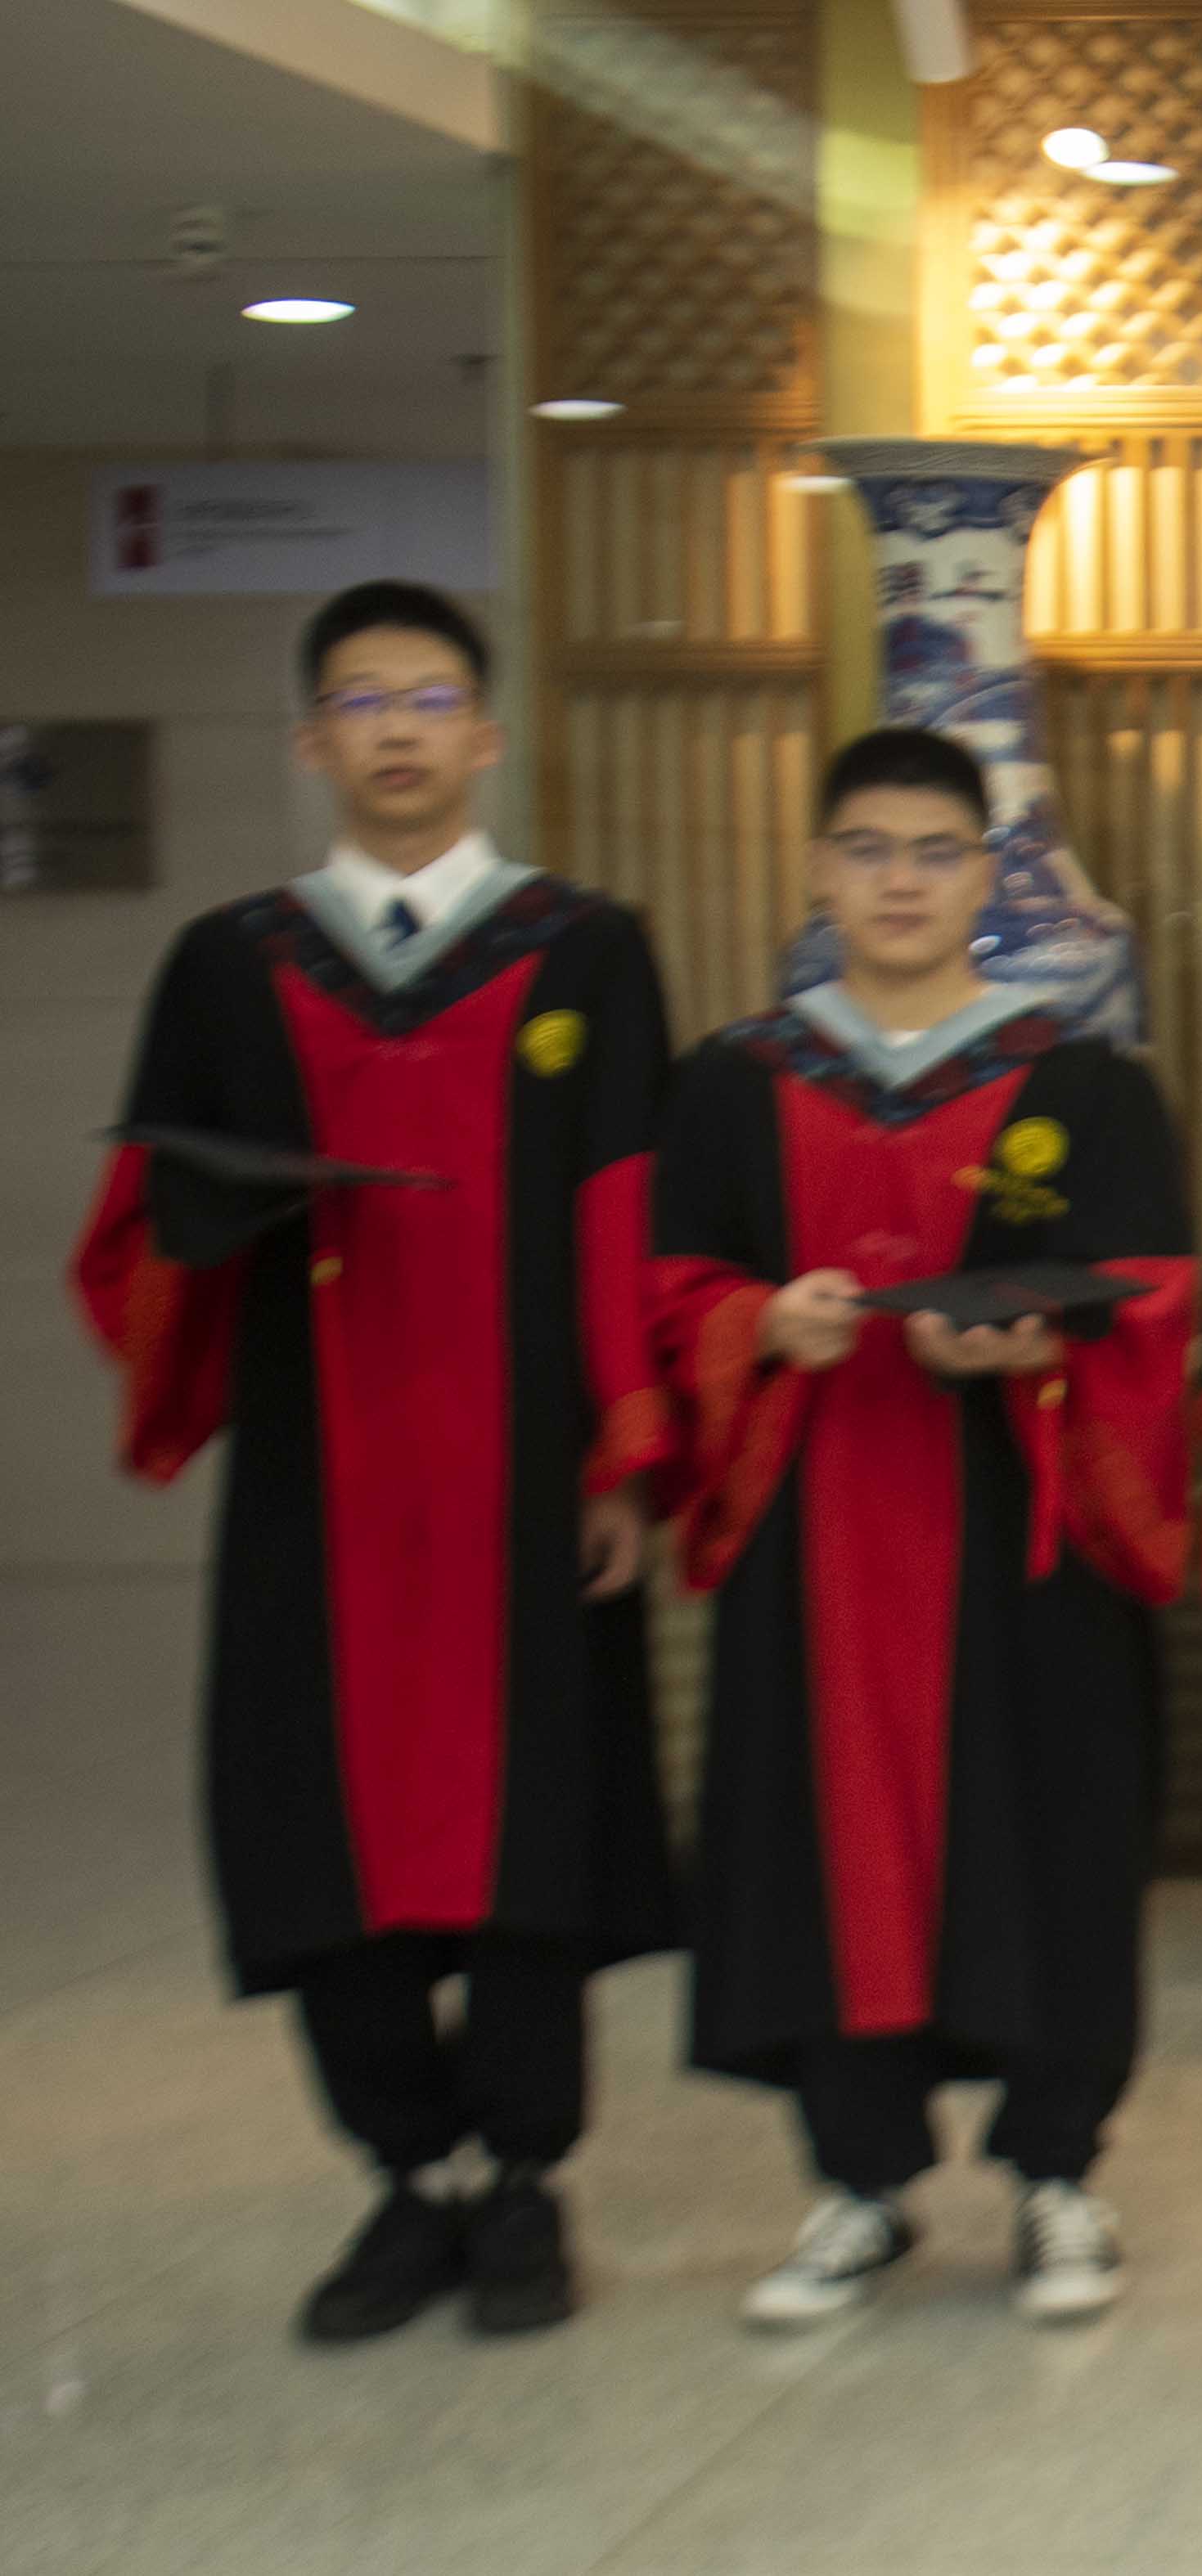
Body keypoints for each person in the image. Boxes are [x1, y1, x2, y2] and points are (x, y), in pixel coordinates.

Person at [73, 580, 678, 2342]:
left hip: (525, 1481)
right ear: (310, 741)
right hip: (316, 1484)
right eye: (361, 700)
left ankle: (525, 2181)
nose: (397, 728)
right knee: (316, 1824)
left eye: (427, 698)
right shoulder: (232, 965)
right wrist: (211, 1238)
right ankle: (406, 2181)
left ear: (486, 734)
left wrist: (626, 1456)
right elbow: (141, 1228)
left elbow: (627, 1216)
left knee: (531, 1825)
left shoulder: (581, 951)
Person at [646, 725, 1195, 2331]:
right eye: (871, 850)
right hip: (814, 1539)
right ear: (821, 869)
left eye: (936, 852)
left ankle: (1057, 2173)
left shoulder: (1081, 1085)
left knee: (1055, 1829)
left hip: (1029, 1546)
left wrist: (1036, 1347)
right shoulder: (735, 1086)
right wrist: (763, 1323)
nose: (902, 881)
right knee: (819, 1841)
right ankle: (857, 2183)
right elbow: (667, 1292)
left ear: (986, 877)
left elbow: (1151, 1300)